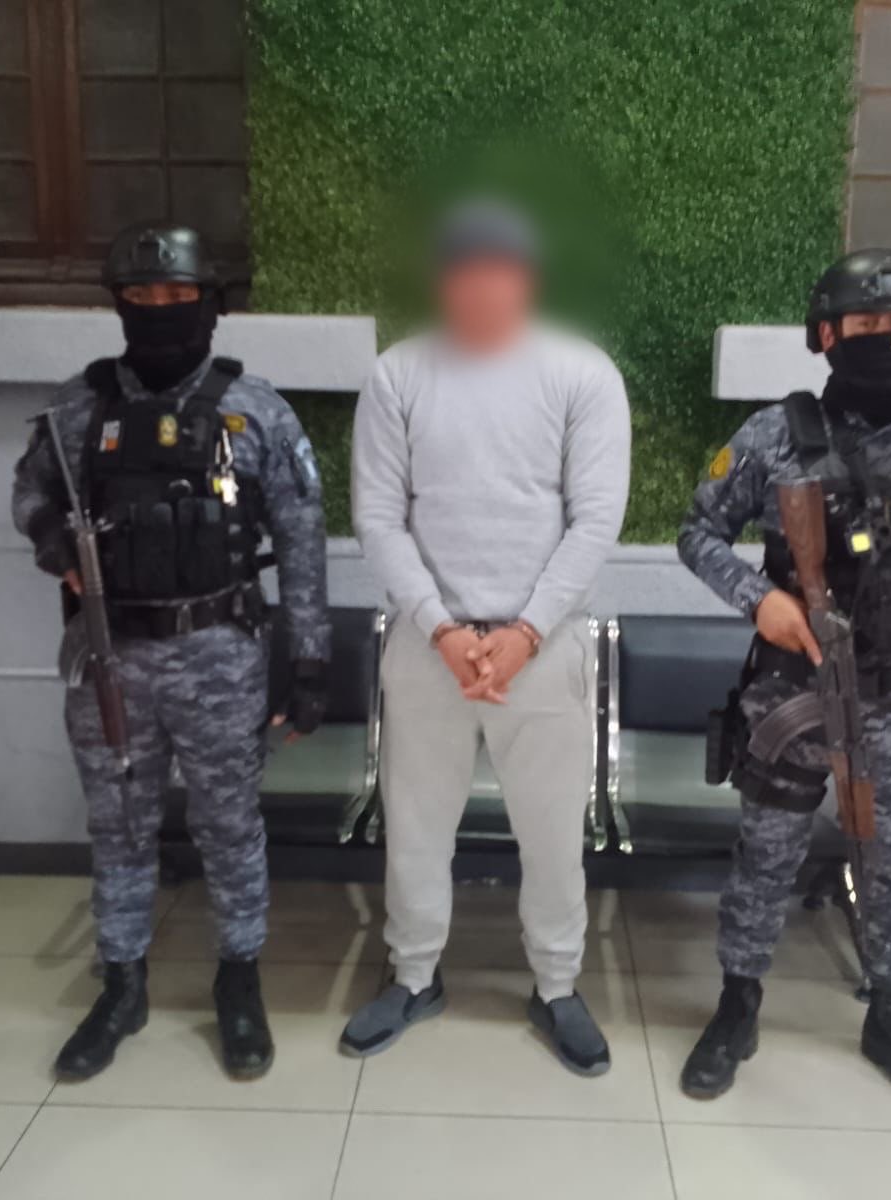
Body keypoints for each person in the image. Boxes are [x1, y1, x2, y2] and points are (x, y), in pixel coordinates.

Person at [675, 249, 891, 1114]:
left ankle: (890, 1014)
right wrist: (760, 600)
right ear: (827, 335)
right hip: (793, 687)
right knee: (766, 853)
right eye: (869, 324)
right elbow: (698, 532)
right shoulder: (772, 437)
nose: (889, 338)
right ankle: (738, 1004)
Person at [11, 221, 330, 1083]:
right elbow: (29, 493)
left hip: (220, 654)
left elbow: (302, 537)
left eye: (178, 295)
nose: (159, 309)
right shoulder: (78, 409)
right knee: (118, 828)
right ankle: (121, 984)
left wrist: (308, 661)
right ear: (118, 305)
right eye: (141, 296)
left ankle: (239, 978)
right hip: (109, 657)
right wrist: (53, 544)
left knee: (229, 824)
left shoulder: (255, 411)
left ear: (210, 305)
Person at [343, 199, 631, 1075]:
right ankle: (413, 975)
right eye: (465, 269)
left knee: (551, 835)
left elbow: (595, 519)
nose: (482, 285)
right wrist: (440, 627)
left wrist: (524, 632)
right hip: (427, 647)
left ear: (526, 277)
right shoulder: (399, 375)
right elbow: (378, 517)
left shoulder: (581, 373)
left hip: (542, 653)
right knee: (416, 827)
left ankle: (556, 985)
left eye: (498, 269)